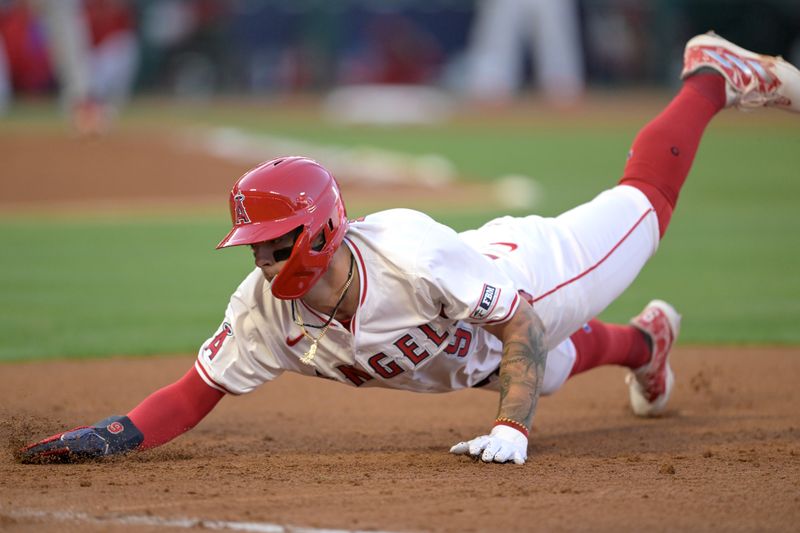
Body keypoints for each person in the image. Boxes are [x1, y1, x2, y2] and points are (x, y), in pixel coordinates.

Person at [20, 33, 799, 465]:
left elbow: (523, 320)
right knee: (553, 366)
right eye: (253, 246)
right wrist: (111, 435)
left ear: (320, 231)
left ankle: (707, 76)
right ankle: (648, 344)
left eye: (271, 242)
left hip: (531, 273)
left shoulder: (411, 254)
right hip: (477, 340)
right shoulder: (264, 312)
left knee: (642, 210)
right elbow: (195, 390)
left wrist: (512, 430)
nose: (260, 261)